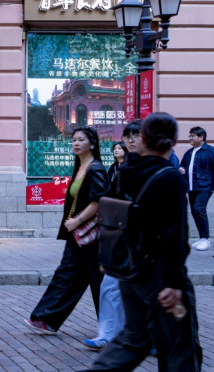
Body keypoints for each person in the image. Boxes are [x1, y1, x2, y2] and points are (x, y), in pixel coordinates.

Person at [87, 113, 202, 372]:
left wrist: (107, 259)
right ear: (173, 140)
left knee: (133, 339)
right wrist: (174, 283)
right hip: (160, 275)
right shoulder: (170, 176)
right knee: (180, 346)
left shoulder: (125, 172)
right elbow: (174, 235)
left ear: (144, 138)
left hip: (130, 271)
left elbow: (110, 218)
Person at [25, 126, 108, 336]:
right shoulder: (81, 167)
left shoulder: (96, 169)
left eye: (81, 140)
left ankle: (112, 329)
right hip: (77, 235)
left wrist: (76, 221)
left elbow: (98, 201)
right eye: (74, 140)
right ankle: (46, 319)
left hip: (90, 236)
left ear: (93, 143)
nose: (76, 144)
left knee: (98, 282)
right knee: (68, 276)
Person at [85, 141, 129, 351]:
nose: (130, 141)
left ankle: (154, 339)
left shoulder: (163, 173)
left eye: (136, 137)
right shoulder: (118, 170)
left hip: (146, 247)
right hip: (121, 239)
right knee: (109, 287)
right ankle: (108, 335)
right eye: (128, 137)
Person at [178, 127, 214, 252]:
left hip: (205, 186)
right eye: (189, 136)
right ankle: (202, 238)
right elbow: (183, 165)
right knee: (194, 211)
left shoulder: (211, 151)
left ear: (201, 137)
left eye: (192, 136)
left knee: (199, 209)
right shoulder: (189, 152)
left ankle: (206, 239)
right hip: (191, 187)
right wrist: (182, 169)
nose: (190, 138)